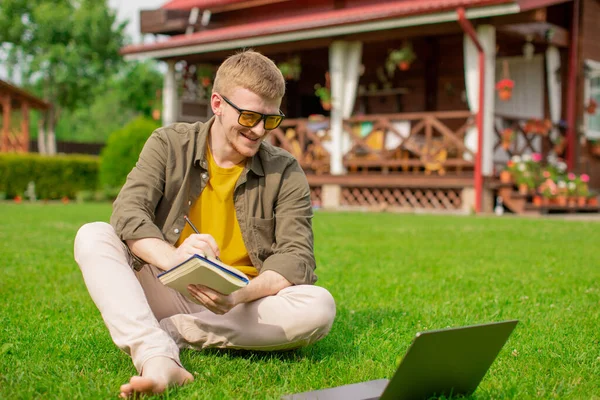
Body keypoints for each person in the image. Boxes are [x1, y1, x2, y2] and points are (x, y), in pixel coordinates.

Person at [74, 50, 336, 398]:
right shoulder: (168, 144)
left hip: (242, 303)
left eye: (270, 120)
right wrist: (176, 258)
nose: (258, 130)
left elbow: (295, 258)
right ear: (217, 103)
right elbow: (128, 214)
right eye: (248, 116)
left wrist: (238, 296)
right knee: (93, 234)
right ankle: (155, 355)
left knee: (319, 306)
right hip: (168, 283)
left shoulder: (285, 170)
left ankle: (172, 333)